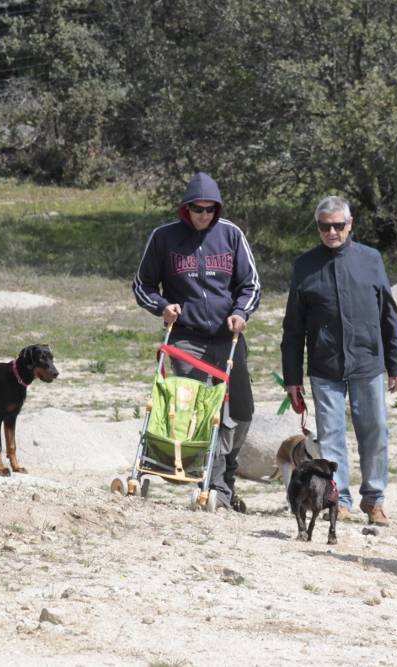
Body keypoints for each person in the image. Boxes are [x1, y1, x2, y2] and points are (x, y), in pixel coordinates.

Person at [133, 172, 261, 512]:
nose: (203, 215)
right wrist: (163, 307)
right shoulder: (164, 238)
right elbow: (141, 285)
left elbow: (251, 285)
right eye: (197, 209)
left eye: (209, 210)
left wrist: (241, 313)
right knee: (201, 410)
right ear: (185, 209)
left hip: (228, 337)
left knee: (241, 411)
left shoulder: (231, 234)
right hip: (186, 339)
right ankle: (211, 484)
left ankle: (225, 477)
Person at [280, 195, 397, 526]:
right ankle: (340, 500)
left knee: (375, 431)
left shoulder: (371, 259)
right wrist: (292, 378)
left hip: (368, 362)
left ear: (350, 225)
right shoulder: (305, 266)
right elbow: (292, 327)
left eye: (338, 225)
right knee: (331, 437)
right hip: (325, 367)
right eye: (325, 226)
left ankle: (375, 500)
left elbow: (388, 315)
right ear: (318, 227)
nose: (332, 232)